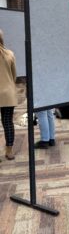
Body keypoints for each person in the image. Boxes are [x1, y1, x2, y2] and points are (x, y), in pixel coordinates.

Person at [0, 29, 17, 160]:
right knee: (8, 122)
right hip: (8, 94)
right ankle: (9, 151)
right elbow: (14, 76)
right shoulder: (10, 54)